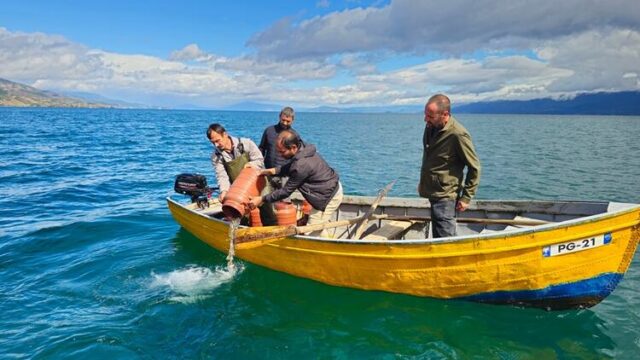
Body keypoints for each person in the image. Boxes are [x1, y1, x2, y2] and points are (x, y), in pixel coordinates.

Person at [249, 130, 343, 237]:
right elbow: (289, 167)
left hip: (328, 197)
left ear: (293, 147)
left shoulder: (300, 166)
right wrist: (269, 171)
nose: (280, 155)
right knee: (319, 226)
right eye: (278, 151)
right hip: (330, 187)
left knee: (311, 231)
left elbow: (286, 191)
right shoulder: (305, 148)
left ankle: (317, 250)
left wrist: (261, 199)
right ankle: (327, 240)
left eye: (282, 152)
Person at [418, 94, 481, 238]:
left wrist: (466, 197)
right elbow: (432, 159)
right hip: (432, 191)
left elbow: (474, 167)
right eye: (425, 115)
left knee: (444, 237)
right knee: (439, 233)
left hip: (446, 196)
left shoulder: (458, 135)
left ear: (445, 114)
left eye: (430, 116)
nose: (425, 119)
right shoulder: (431, 127)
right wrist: (423, 182)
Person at [258, 106, 301, 189]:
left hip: (285, 174)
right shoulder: (269, 130)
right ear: (279, 117)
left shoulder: (294, 135)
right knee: (267, 198)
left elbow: (297, 156)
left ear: (292, 120)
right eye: (283, 120)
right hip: (268, 171)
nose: (285, 123)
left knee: (284, 200)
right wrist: (258, 164)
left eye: (288, 121)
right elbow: (262, 148)